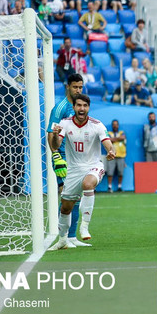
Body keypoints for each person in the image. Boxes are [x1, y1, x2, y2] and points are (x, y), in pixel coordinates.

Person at [48, 94, 115, 250]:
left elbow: (107, 143)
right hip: (73, 170)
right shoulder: (64, 123)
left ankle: (84, 226)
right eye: (79, 105)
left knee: (88, 183)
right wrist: (56, 135)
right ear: (74, 107)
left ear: (88, 108)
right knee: (65, 207)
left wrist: (111, 151)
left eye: (85, 106)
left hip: (94, 165)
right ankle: (63, 240)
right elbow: (56, 144)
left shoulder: (97, 125)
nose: (82, 109)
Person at [46, 73, 86, 247]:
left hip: (77, 158)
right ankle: (62, 237)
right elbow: (51, 133)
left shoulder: (81, 106)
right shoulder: (60, 108)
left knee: (76, 196)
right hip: (62, 158)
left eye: (80, 87)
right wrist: (56, 156)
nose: (78, 90)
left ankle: (71, 237)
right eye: (75, 87)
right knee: (67, 196)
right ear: (67, 87)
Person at [106, 120, 126, 193]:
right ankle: (109, 187)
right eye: (113, 125)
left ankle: (119, 186)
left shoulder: (121, 132)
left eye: (116, 124)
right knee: (110, 172)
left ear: (118, 125)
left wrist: (113, 140)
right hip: (111, 155)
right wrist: (117, 139)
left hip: (121, 155)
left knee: (121, 172)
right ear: (112, 126)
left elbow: (123, 138)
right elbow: (108, 140)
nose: (115, 126)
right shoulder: (109, 133)